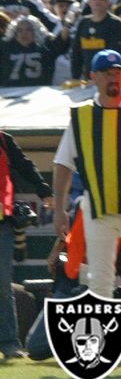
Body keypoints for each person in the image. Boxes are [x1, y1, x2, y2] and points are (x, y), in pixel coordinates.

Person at [51, 49, 121, 370]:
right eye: (108, 72)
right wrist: (59, 209)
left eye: (118, 72)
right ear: (95, 78)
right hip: (98, 209)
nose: (114, 77)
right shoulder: (81, 116)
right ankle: (108, 346)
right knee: (99, 280)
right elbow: (62, 164)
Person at [0, 129, 52, 358]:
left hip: (3, 223)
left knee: (2, 283)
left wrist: (45, 191)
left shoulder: (4, 139)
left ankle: (9, 343)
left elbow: (25, 165)